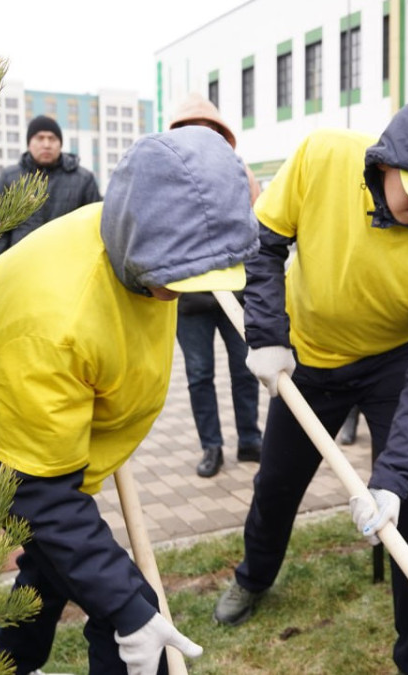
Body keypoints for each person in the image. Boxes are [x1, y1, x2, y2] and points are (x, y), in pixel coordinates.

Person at [0, 126, 261, 675]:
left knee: (51, 565)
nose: (189, 288)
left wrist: (268, 338)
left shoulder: (138, 234)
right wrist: (129, 608)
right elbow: (38, 490)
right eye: (180, 277)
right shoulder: (56, 318)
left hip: (57, 428)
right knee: (121, 601)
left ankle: (7, 665)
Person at [211, 90, 408, 675]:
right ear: (386, 162)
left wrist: (389, 478)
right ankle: (253, 577)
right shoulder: (322, 156)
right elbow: (263, 243)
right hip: (308, 359)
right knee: (276, 486)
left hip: (391, 363)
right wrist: (267, 334)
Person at [167, 93, 264, 478]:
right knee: (198, 373)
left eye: (209, 129)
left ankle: (250, 439)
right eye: (191, 129)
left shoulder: (240, 170)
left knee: (246, 368)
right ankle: (211, 446)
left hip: (234, 288)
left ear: (222, 134)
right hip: (189, 295)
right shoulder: (167, 173)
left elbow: (258, 226)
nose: (201, 136)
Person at [0, 115, 100, 252]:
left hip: (67, 260)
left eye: (52, 138)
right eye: (40, 138)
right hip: (22, 261)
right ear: (29, 143)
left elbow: (94, 226)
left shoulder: (84, 179)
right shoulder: (10, 177)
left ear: (60, 144)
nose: (46, 144)